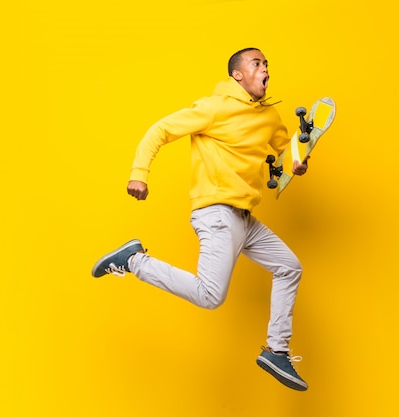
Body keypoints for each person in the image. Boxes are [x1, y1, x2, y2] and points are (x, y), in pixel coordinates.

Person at [91, 48, 309, 391]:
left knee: (289, 267)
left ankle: (277, 350)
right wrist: (139, 173)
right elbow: (160, 130)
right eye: (257, 63)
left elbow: (286, 149)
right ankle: (134, 260)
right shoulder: (214, 107)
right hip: (217, 212)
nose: (265, 68)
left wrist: (297, 161)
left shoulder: (268, 116)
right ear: (237, 75)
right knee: (210, 296)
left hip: (245, 217)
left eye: (267, 64)